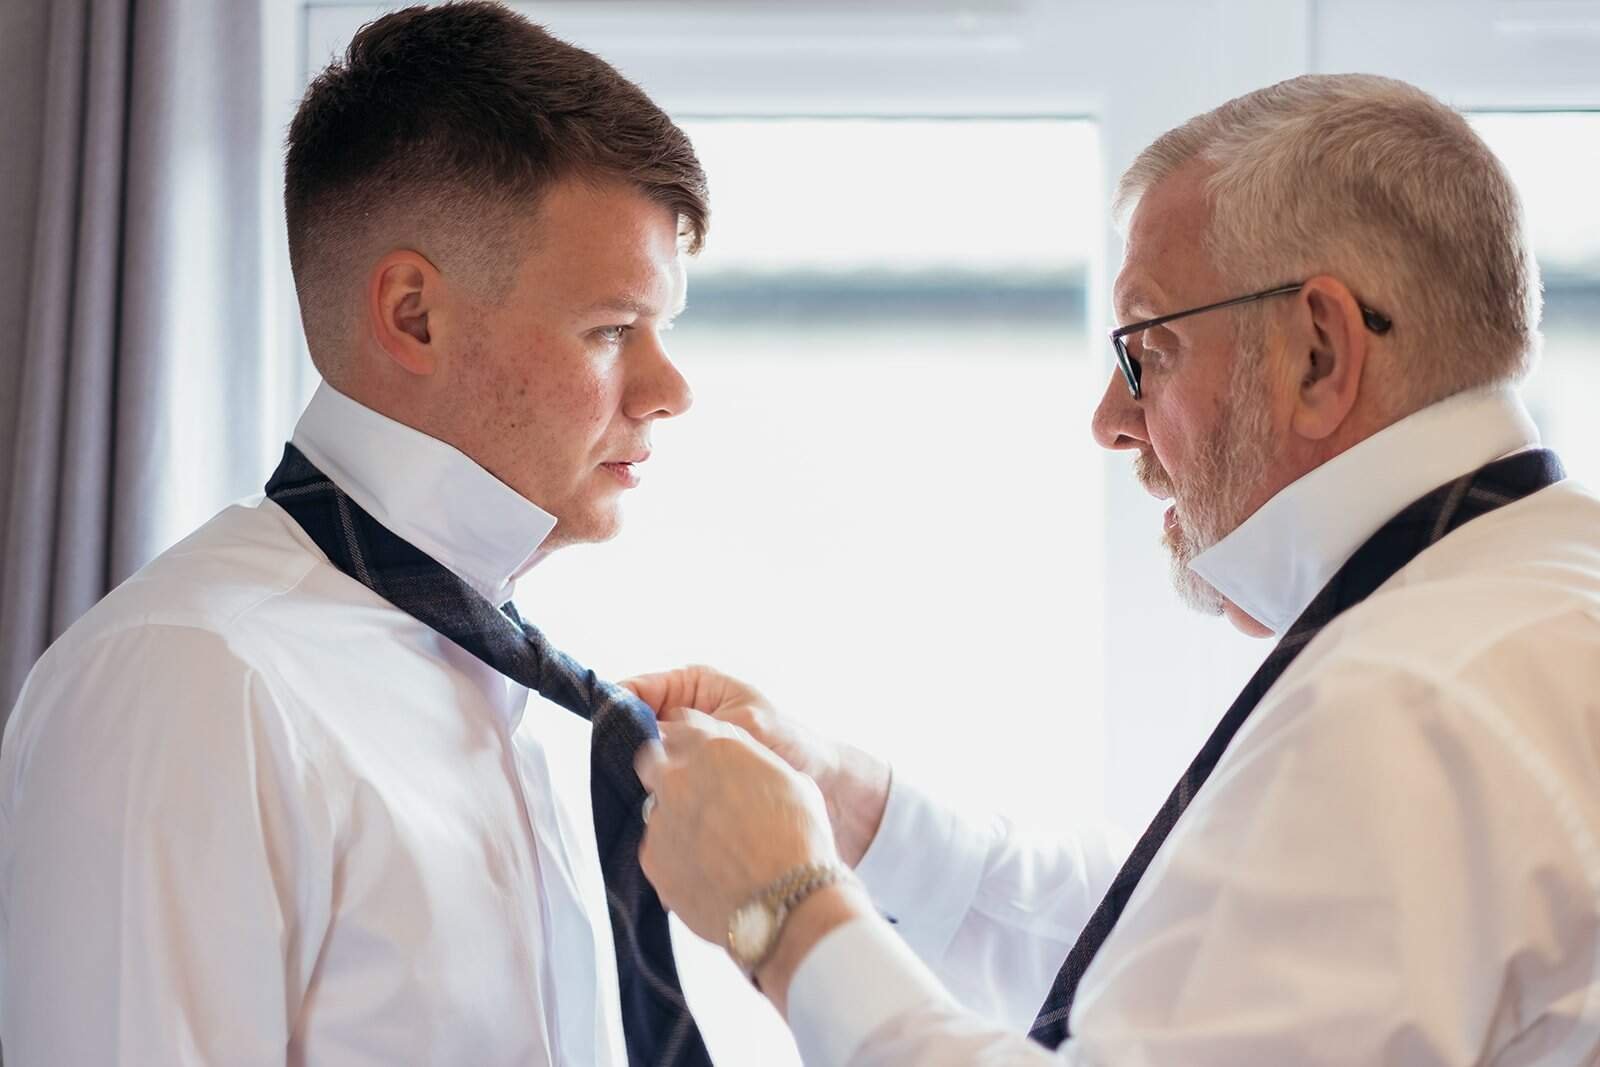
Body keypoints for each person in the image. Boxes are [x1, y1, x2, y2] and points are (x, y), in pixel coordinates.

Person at [627, 74, 1600, 1065]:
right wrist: (854, 815)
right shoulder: (1533, 604)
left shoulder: (1404, 705)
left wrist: (782, 909)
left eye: (1150, 350)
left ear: (1317, 351)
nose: (1110, 419)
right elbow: (1219, 964)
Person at [0, 3, 710, 1064]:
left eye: (664, 328)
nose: (671, 389)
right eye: (612, 328)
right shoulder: (193, 681)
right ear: (413, 313)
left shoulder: (537, 706)